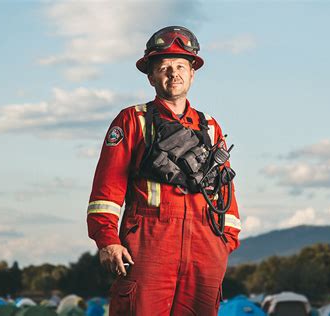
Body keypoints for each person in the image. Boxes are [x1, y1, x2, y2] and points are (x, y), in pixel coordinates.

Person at [86, 26, 241, 315]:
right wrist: (107, 239)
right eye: (164, 67)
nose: (174, 74)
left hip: (204, 248)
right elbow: (106, 190)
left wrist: (223, 243)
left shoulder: (210, 126)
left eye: (181, 66)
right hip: (148, 245)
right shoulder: (132, 120)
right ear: (151, 76)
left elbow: (226, 191)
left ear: (193, 73)